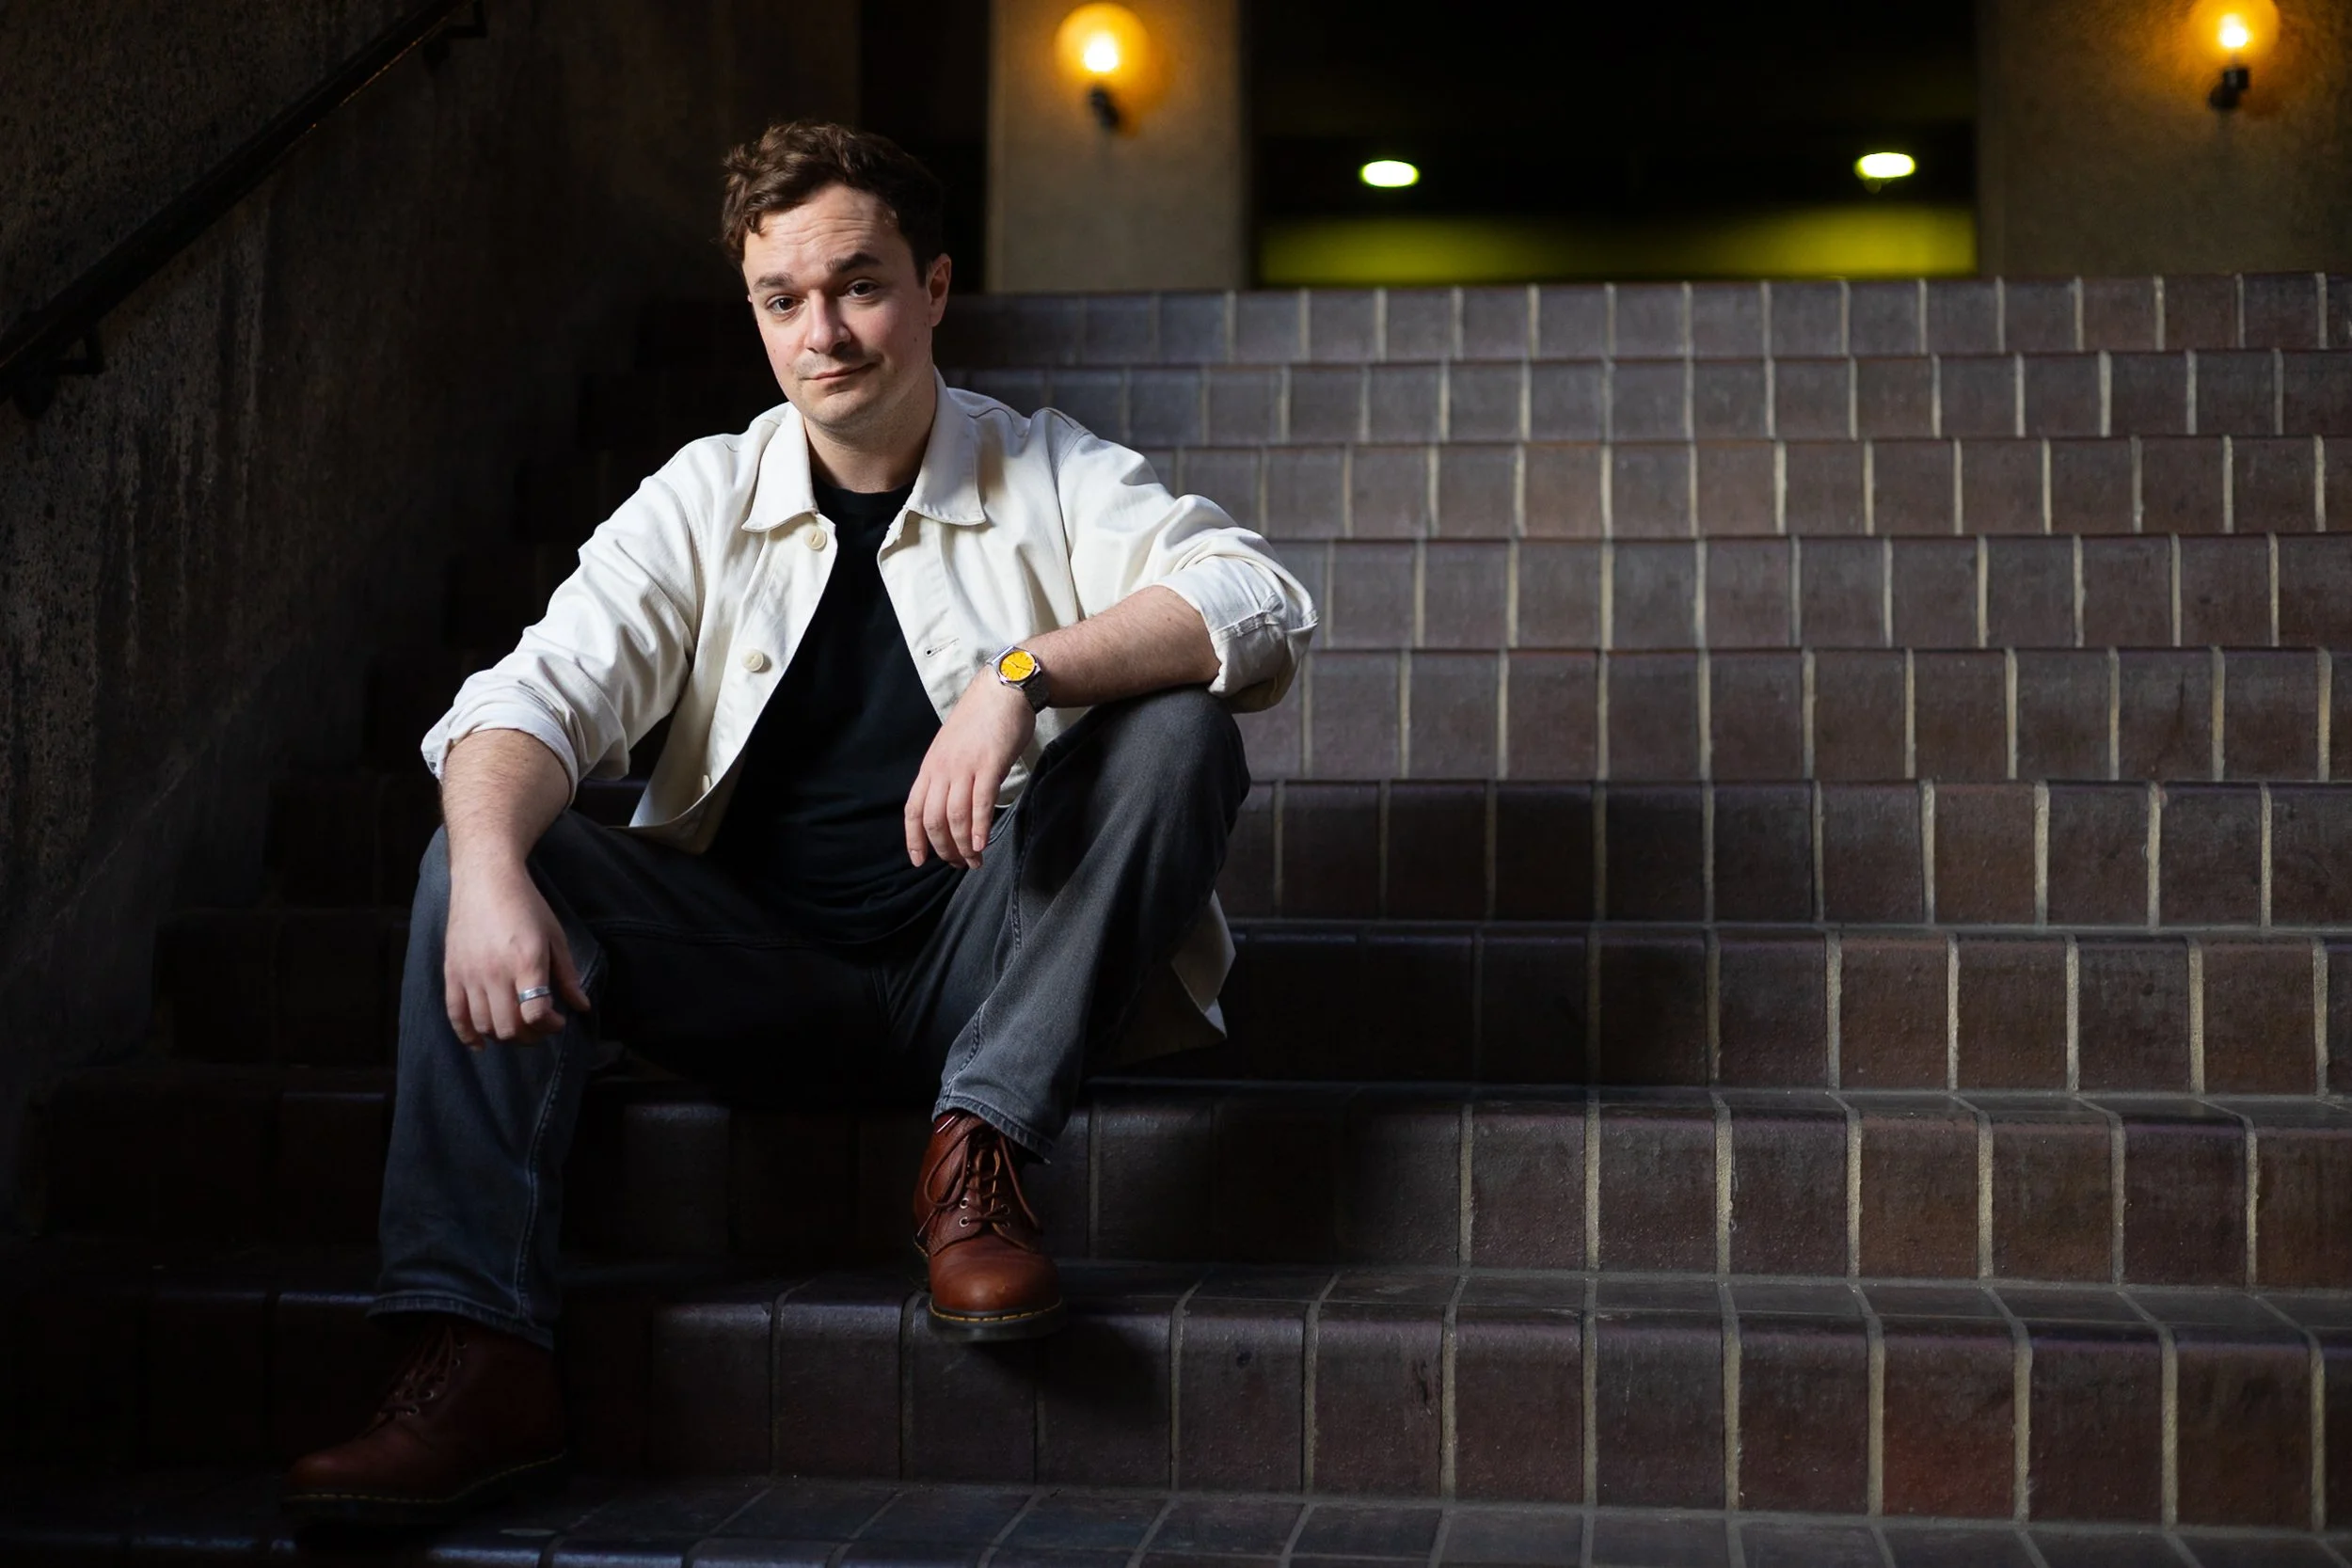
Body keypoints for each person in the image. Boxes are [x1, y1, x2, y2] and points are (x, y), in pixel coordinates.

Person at [280, 119, 1315, 1525]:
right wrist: (483, 865)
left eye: (861, 285)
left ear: (936, 288)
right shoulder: (707, 498)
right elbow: (533, 695)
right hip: (750, 963)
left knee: (1179, 726)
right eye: (784, 300)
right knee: (488, 839)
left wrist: (1024, 675)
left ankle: (979, 1158)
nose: (823, 332)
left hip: (983, 964)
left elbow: (1253, 597)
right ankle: (478, 1354)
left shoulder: (1048, 469)